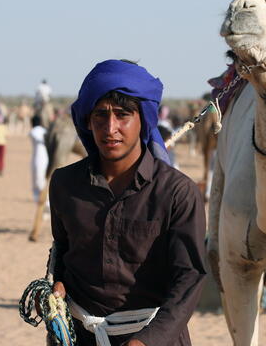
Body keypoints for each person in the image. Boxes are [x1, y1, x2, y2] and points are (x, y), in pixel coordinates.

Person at [49, 59, 206, 346]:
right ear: (87, 120)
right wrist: (55, 286)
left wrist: (147, 341)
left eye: (123, 115)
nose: (110, 128)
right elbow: (62, 252)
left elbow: (190, 279)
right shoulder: (64, 184)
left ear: (143, 119)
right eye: (100, 116)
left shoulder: (178, 193)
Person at [29, 115, 48, 205]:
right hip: (46, 158)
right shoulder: (45, 131)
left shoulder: (33, 131)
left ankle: (42, 203)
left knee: (37, 183)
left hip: (37, 159)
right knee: (43, 181)